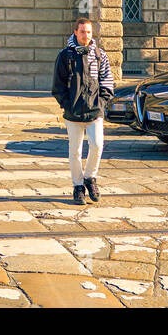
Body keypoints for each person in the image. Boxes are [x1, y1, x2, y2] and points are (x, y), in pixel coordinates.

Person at [52, 17, 114, 205]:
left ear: (91, 33)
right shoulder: (65, 55)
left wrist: (101, 102)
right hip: (73, 113)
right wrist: (66, 104)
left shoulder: (99, 55)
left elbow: (107, 80)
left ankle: (89, 177)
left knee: (97, 145)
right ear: (75, 32)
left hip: (94, 111)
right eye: (82, 31)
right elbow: (58, 85)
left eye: (88, 32)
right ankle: (78, 186)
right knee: (75, 151)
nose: (85, 35)